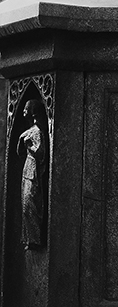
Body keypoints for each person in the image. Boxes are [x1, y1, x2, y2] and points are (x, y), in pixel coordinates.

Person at [18, 99, 48, 250]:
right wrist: (22, 142)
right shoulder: (30, 131)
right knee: (25, 205)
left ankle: (35, 239)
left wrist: (29, 145)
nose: (23, 111)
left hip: (34, 170)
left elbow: (40, 153)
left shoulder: (37, 132)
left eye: (26, 109)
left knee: (30, 204)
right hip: (27, 168)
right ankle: (28, 238)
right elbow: (19, 152)